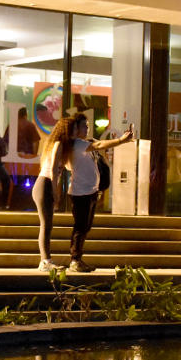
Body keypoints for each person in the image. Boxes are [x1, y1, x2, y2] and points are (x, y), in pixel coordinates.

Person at [66, 110, 134, 272]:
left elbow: (96, 147)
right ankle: (75, 260)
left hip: (89, 192)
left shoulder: (84, 144)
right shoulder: (77, 144)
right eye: (84, 126)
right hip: (80, 193)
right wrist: (121, 140)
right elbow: (99, 145)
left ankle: (78, 259)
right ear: (75, 128)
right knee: (81, 226)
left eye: (88, 126)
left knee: (85, 227)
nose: (87, 129)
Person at [32, 113, 74, 271]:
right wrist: (56, 191)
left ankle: (46, 260)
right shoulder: (59, 144)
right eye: (74, 128)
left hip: (44, 184)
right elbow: (54, 172)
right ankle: (45, 261)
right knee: (46, 225)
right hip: (45, 184)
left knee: (47, 224)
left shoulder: (59, 145)